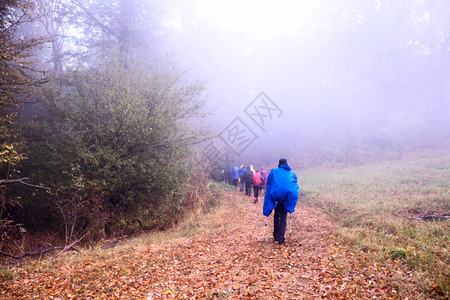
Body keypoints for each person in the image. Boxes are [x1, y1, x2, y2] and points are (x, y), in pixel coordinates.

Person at [263, 158, 299, 245]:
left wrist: (269, 201)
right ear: (287, 164)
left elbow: (269, 185)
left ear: (279, 164)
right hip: (286, 199)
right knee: (283, 217)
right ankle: (281, 237)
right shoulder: (292, 173)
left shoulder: (274, 172)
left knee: (276, 216)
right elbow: (294, 186)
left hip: (277, 198)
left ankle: (276, 235)